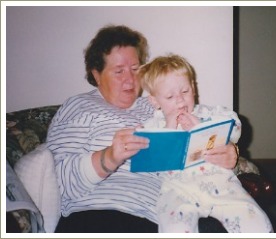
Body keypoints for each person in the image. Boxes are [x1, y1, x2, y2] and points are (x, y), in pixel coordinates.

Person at [46, 24, 240, 233]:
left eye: (135, 69)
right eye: (119, 71)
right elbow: (61, 185)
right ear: (97, 75)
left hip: (166, 217)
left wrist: (230, 154)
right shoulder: (78, 107)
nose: (130, 79)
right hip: (97, 212)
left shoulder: (162, 104)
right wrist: (110, 157)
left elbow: (203, 150)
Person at [138, 54, 273, 233]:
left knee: (256, 222)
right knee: (175, 228)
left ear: (193, 88)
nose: (179, 100)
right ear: (155, 101)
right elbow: (151, 161)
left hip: (221, 184)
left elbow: (235, 128)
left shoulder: (210, 113)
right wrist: (170, 126)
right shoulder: (153, 126)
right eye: (170, 97)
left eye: (184, 92)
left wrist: (202, 124)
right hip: (179, 191)